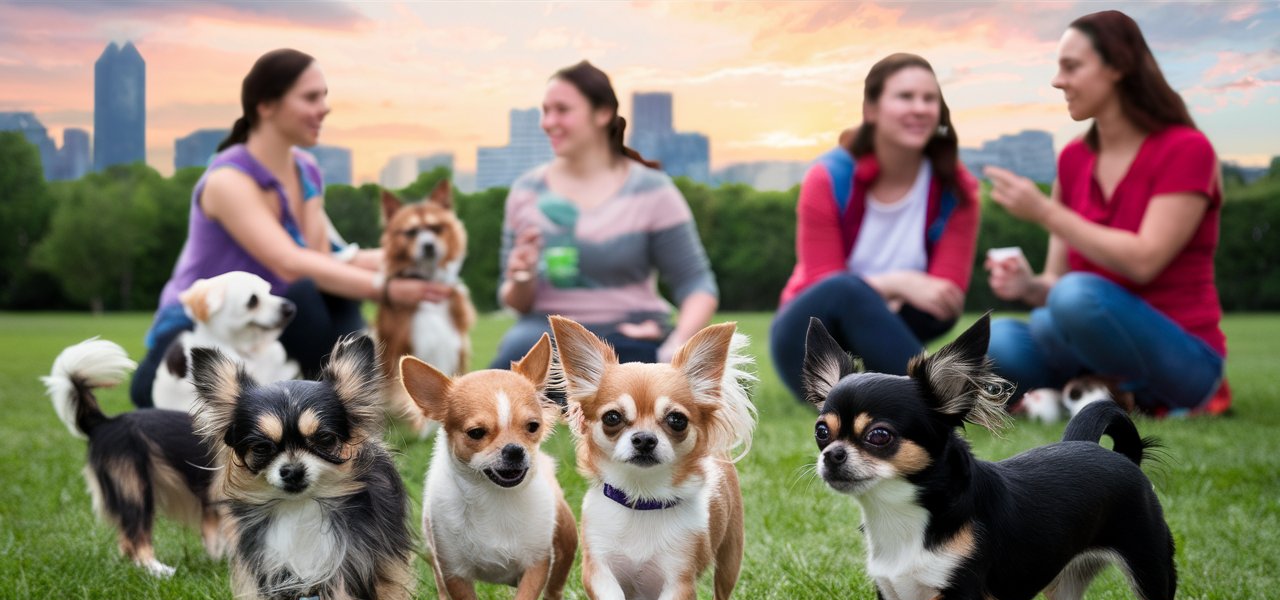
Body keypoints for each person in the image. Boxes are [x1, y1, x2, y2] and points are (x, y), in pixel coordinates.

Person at [130, 49, 447, 407]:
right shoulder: (227, 181)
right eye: (311, 98)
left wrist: (423, 260)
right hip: (201, 327)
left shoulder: (305, 169)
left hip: (269, 322)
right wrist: (386, 289)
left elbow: (327, 257)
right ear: (266, 105)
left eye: (324, 97)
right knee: (310, 291)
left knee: (333, 291)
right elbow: (290, 263)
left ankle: (344, 395)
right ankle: (337, 393)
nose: (324, 108)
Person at [984, 10, 1229, 415]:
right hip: (1087, 338)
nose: (1057, 81)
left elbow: (1144, 261)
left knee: (1073, 299)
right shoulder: (1073, 159)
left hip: (1185, 359)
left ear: (1117, 67)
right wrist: (1027, 286)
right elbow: (1055, 285)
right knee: (999, 339)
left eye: (1071, 67)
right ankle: (1094, 394)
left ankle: (1112, 396)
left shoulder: (1186, 149)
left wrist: (1045, 211)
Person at [769, 53, 979, 402]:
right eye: (905, 97)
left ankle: (910, 393)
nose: (920, 108)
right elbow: (826, 284)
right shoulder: (829, 177)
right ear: (871, 110)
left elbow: (946, 296)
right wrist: (899, 284)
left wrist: (879, 303)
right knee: (844, 289)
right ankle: (933, 398)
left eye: (929, 99)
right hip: (809, 336)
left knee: (932, 308)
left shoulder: (956, 189)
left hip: (888, 331)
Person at [491, 60, 718, 369]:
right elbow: (513, 299)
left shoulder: (652, 191)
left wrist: (676, 344)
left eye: (562, 110)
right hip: (543, 336)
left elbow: (697, 284)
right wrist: (522, 276)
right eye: (545, 111)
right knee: (506, 381)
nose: (548, 122)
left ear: (603, 113)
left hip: (630, 335)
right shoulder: (526, 191)